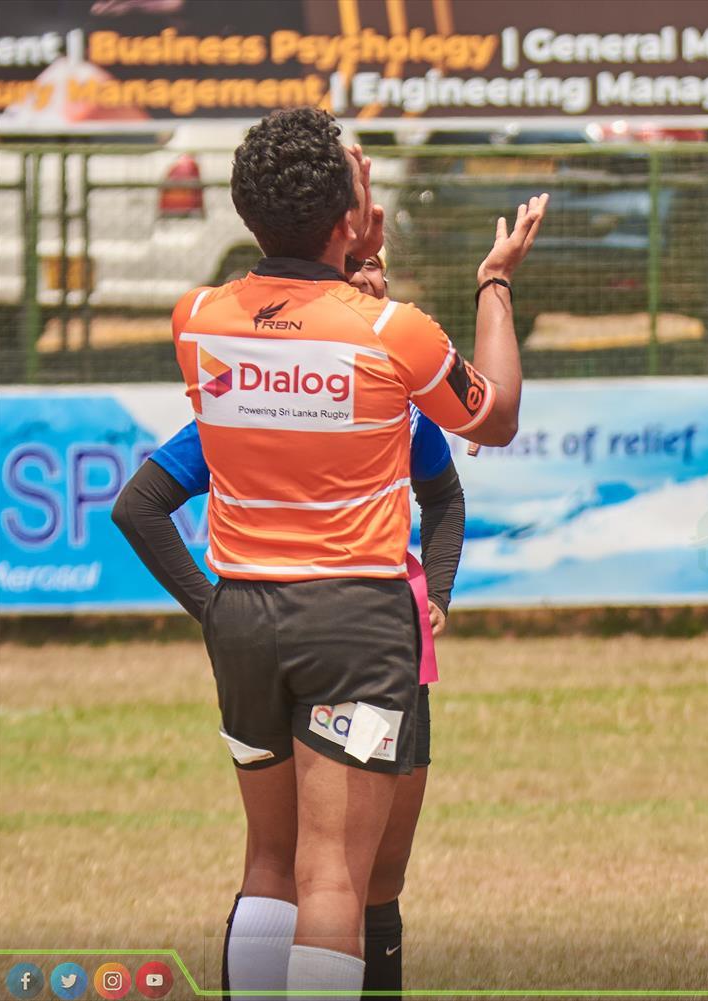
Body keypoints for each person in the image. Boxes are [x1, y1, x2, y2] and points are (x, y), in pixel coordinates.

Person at [149, 106, 543, 999]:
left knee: (268, 865)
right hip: (354, 621)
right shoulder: (389, 332)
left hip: (244, 614)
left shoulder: (197, 317)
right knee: (334, 875)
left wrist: (341, 219)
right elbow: (498, 413)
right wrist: (493, 283)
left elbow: (285, 326)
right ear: (345, 220)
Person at [112, 250, 459, 1000]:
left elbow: (447, 497)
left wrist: (439, 589)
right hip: (355, 632)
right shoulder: (260, 401)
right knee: (331, 869)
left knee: (329, 867)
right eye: (353, 278)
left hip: (333, 635)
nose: (365, 292)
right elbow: (138, 504)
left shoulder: (385, 396)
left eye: (376, 281)